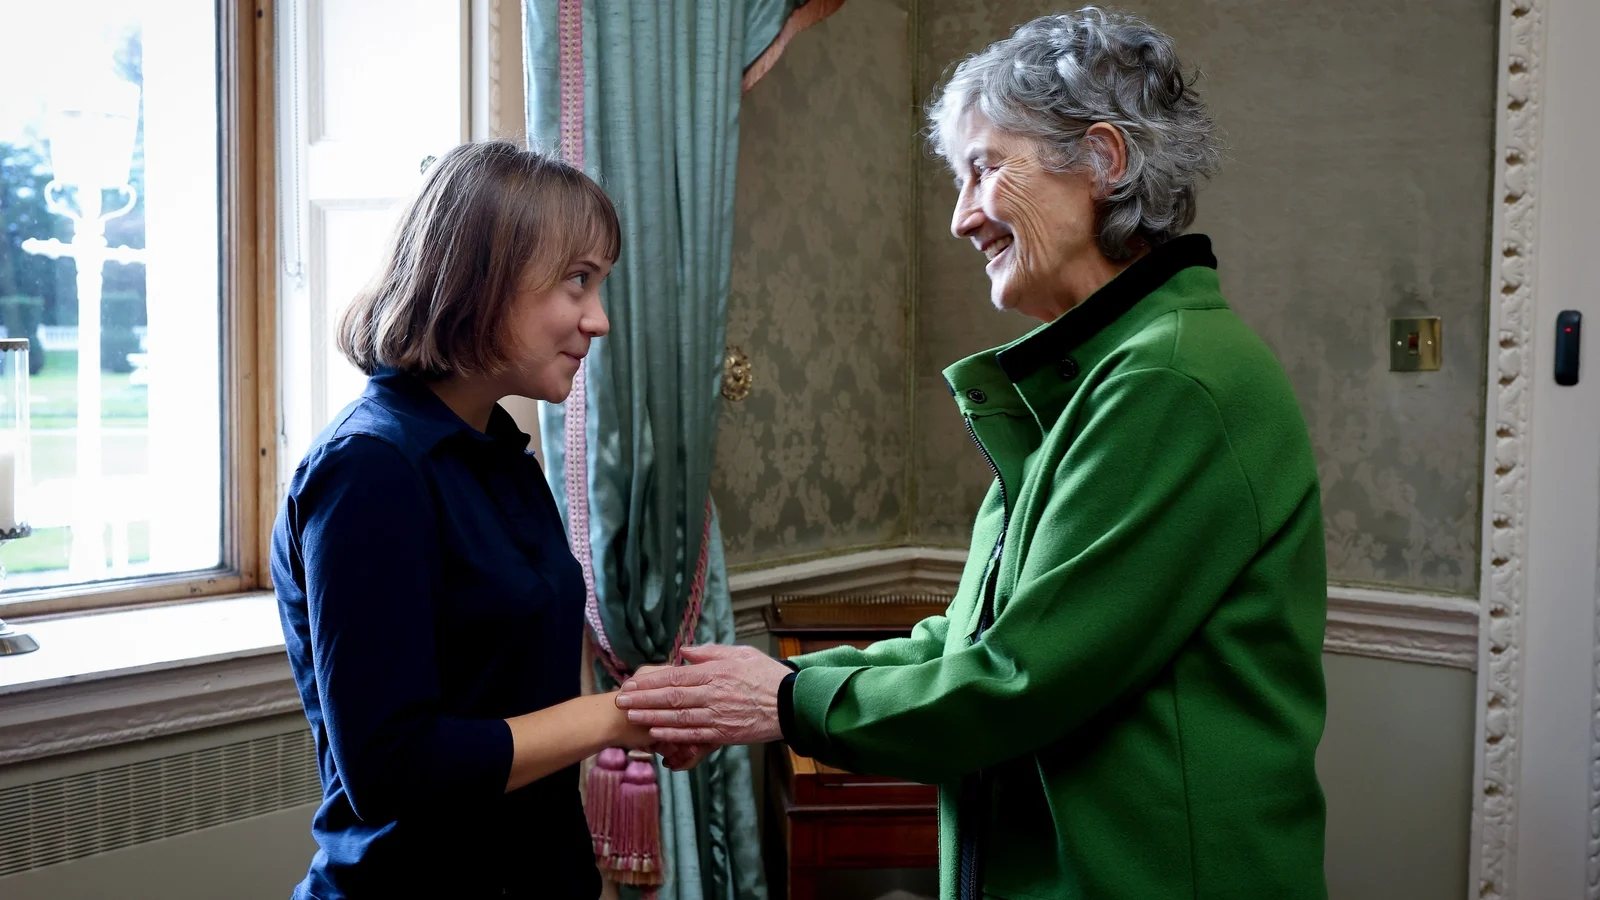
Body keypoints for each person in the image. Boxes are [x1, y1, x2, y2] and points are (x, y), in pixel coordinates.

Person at [617, 9, 1329, 900]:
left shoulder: (1172, 382)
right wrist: (789, 681)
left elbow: (1019, 679)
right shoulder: (1095, 375)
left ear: (1104, 160)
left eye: (984, 169)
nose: (961, 219)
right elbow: (972, 642)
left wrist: (788, 703)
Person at [271, 140, 653, 900]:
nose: (599, 320)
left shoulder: (502, 454)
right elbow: (392, 770)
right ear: (485, 279)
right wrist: (615, 716)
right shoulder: (369, 470)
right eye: (578, 282)